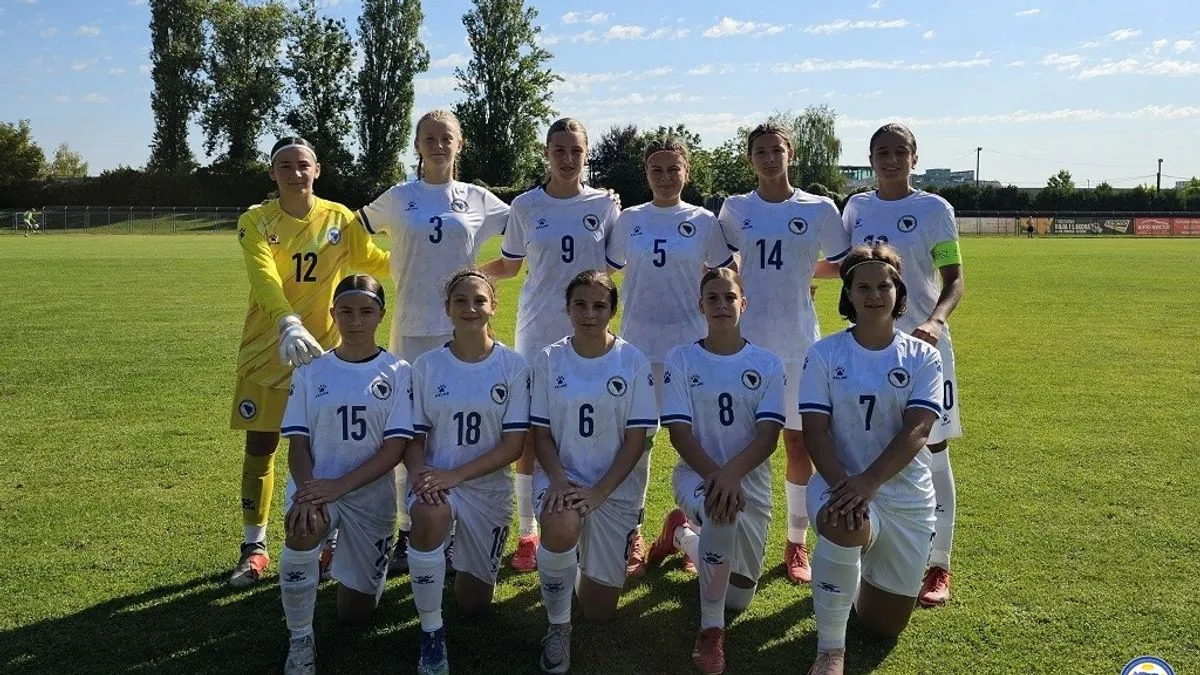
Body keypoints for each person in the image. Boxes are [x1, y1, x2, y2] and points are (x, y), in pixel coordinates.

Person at [230, 137, 390, 588]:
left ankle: (323, 542)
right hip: (269, 350)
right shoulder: (256, 221)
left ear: (316, 169)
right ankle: (254, 546)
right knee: (261, 449)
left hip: (326, 360)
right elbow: (263, 277)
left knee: (324, 452)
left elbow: (374, 262)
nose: (295, 174)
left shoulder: (340, 218)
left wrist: (426, 258)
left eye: (303, 166)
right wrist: (286, 323)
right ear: (273, 173)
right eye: (285, 166)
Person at [355, 109, 510, 575]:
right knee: (412, 433)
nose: (438, 145)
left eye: (447, 138)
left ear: (459, 144)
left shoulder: (478, 198)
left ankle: (459, 524)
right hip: (410, 328)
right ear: (417, 145)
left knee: (464, 427)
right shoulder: (400, 197)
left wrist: (602, 198)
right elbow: (350, 232)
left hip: (463, 329)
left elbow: (530, 226)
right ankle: (411, 529)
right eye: (429, 138)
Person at [480, 118, 621, 573]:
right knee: (528, 432)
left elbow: (616, 266)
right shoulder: (525, 205)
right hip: (537, 329)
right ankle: (527, 532)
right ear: (546, 153)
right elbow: (510, 264)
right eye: (558, 150)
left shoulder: (605, 205)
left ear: (586, 154)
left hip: (591, 333)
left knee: (596, 422)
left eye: (575, 151)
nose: (567, 159)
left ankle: (617, 524)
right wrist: (471, 273)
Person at [798, 243, 944, 675]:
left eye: (885, 286)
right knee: (847, 521)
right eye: (864, 286)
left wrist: (870, 483)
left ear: (899, 292)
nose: (875, 295)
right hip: (836, 482)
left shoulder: (923, 356)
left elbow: (918, 429)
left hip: (903, 497)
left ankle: (846, 577)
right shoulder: (824, 353)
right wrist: (848, 487)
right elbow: (814, 431)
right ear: (849, 293)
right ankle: (830, 652)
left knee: (883, 626)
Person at [716, 123, 850, 585]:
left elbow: (843, 261)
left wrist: (803, 271)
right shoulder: (735, 209)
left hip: (797, 344)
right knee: (736, 443)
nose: (769, 158)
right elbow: (725, 261)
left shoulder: (819, 208)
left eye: (777, 150)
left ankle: (796, 542)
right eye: (760, 151)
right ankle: (723, 527)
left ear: (790, 153)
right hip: (742, 345)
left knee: (797, 442)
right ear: (750, 158)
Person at [841, 123, 965, 606]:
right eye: (881, 152)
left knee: (932, 450)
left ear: (914, 157)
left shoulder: (935, 209)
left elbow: (955, 279)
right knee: (871, 445)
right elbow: (841, 267)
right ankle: (871, 545)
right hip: (869, 348)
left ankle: (939, 563)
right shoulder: (857, 207)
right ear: (870, 158)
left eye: (899, 152)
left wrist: (935, 321)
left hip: (924, 349)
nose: (890, 160)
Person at [607, 134, 735, 575]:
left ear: (687, 172)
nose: (665, 177)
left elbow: (726, 276)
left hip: (691, 351)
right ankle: (632, 534)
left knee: (697, 444)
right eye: (656, 170)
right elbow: (607, 270)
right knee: (636, 445)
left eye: (673, 169)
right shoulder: (628, 220)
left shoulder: (703, 221)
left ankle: (693, 532)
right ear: (647, 174)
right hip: (637, 349)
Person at [648, 268, 785, 675]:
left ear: (743, 303)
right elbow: (679, 433)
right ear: (701, 306)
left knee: (738, 597)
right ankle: (710, 631)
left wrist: (731, 476)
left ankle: (679, 534)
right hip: (696, 475)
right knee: (721, 509)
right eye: (713, 298)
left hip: (750, 484)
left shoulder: (768, 363)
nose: (722, 305)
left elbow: (768, 437)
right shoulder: (682, 358)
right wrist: (716, 478)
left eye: (729, 297)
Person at [277, 274, 414, 675]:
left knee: (355, 613)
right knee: (303, 525)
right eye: (347, 311)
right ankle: (300, 638)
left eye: (366, 312)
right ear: (333, 314)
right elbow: (298, 444)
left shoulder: (398, 371)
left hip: (369, 497)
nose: (356, 321)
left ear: (380, 315)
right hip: (317, 488)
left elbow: (395, 449)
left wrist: (341, 487)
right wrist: (307, 491)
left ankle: (346, 557)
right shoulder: (310, 371)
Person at [403, 269, 531, 675]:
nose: (470, 308)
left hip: (487, 488)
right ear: (448, 309)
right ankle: (431, 631)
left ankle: (449, 555)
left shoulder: (513, 366)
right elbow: (414, 437)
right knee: (429, 512)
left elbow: (513, 447)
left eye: (479, 300)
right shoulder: (426, 365)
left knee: (473, 603)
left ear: (493, 306)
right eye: (461, 301)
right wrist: (423, 473)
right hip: (438, 482)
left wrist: (454, 476)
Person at [530, 270, 658, 674]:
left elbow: (636, 441)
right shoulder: (550, 358)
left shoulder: (632, 360)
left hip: (612, 489)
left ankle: (673, 536)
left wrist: (600, 493)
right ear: (567, 309)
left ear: (612, 311)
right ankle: (558, 626)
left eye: (599, 305)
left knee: (600, 611)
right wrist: (557, 479)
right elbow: (541, 433)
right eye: (580, 305)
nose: (589, 313)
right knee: (562, 521)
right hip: (562, 478)